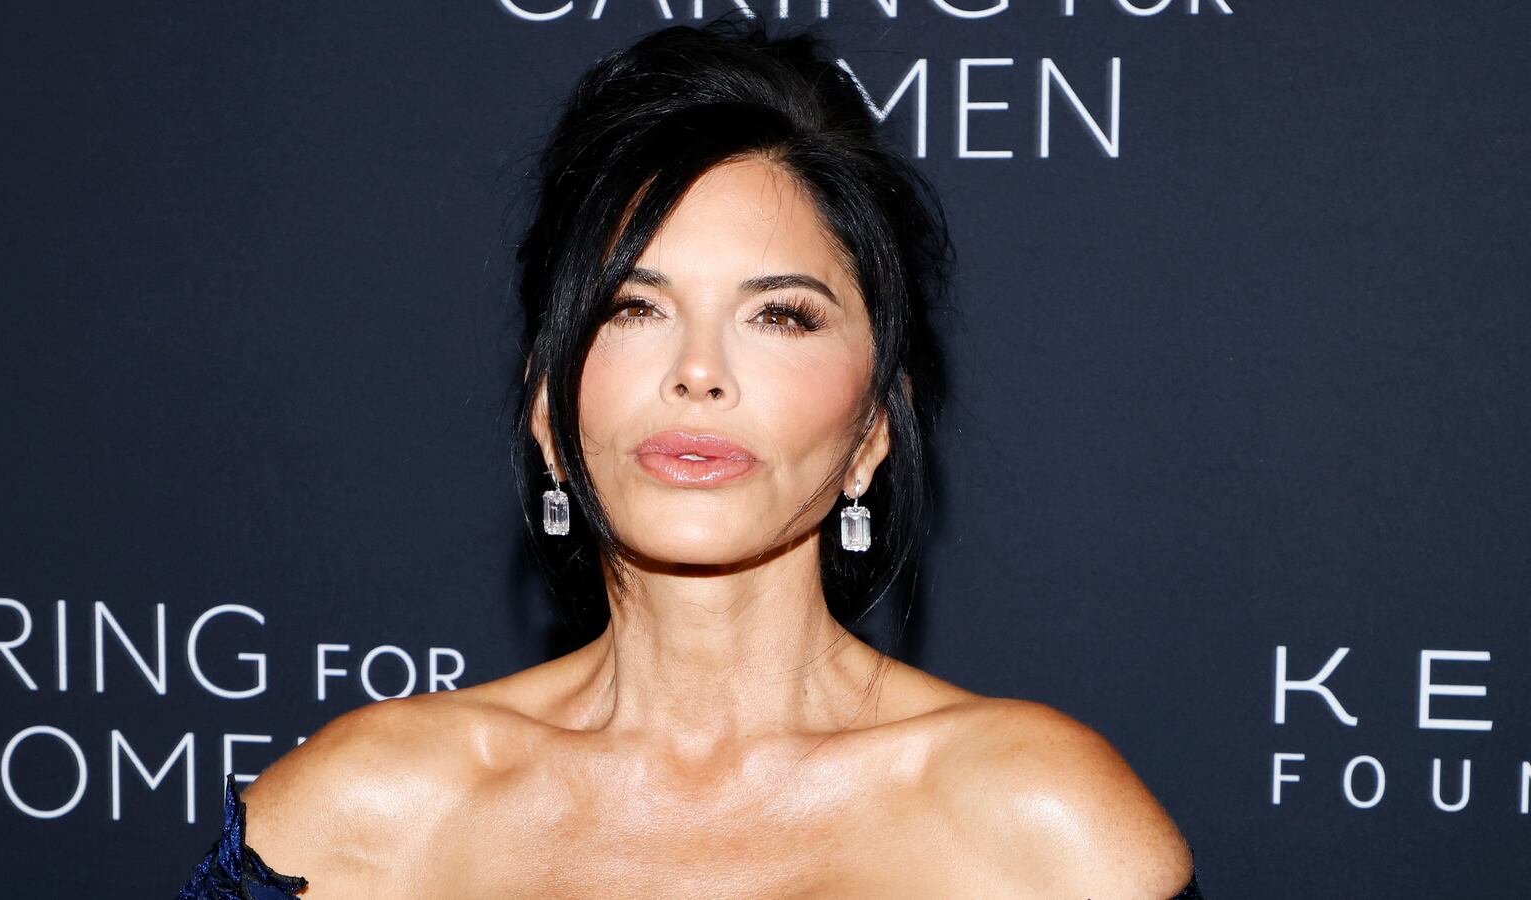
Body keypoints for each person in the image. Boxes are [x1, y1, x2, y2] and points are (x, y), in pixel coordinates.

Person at [179, 18, 1201, 899]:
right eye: (635, 307)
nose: (698, 372)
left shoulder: (1042, 828)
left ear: (875, 428)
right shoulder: (354, 822)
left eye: (780, 316)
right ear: (545, 404)